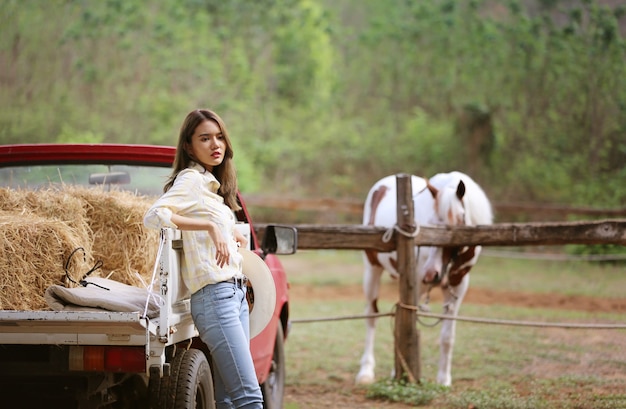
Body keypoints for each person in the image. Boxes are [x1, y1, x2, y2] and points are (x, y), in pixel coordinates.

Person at [143, 109, 263, 409]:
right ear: (188, 146)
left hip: (235, 296)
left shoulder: (212, 189)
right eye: (205, 138)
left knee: (227, 400)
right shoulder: (191, 180)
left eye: (219, 137)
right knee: (249, 398)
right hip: (216, 298)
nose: (215, 144)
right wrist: (210, 226)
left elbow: (209, 225)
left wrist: (229, 232)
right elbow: (155, 215)